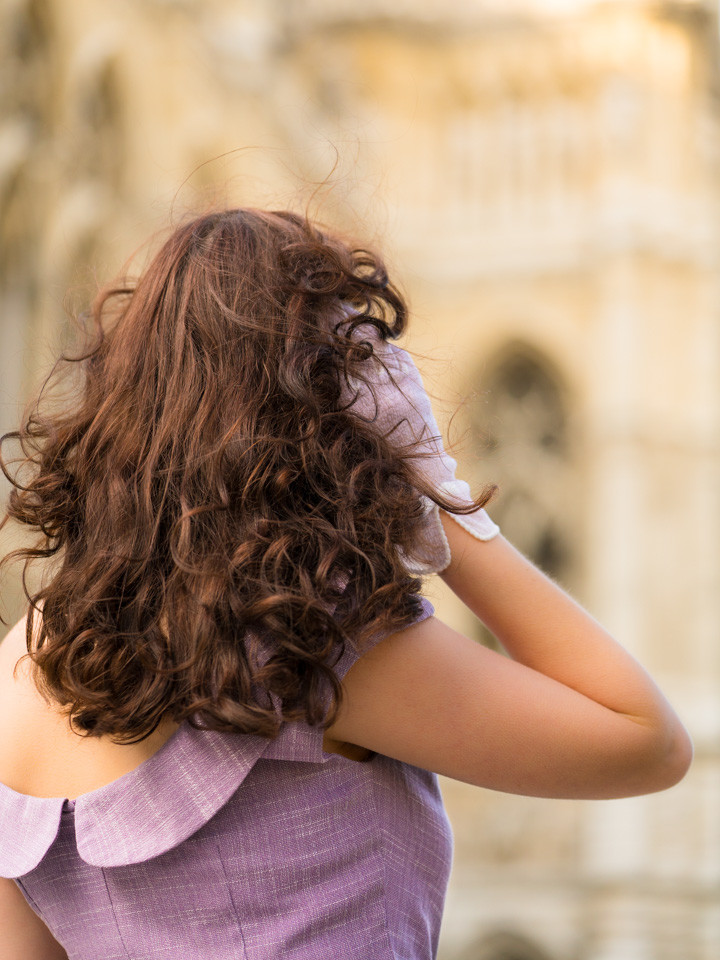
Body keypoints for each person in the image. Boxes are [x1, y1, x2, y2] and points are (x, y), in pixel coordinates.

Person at [0, 208, 691, 960]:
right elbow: (647, 742)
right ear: (329, 409)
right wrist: (439, 496)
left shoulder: (22, 668)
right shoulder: (320, 646)